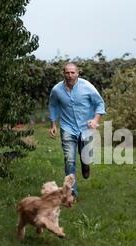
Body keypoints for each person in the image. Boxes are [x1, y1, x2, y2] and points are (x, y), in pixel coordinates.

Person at [48, 62, 106, 200]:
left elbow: (100, 103)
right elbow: (53, 106)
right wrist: (53, 125)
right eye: (67, 73)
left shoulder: (87, 87)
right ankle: (71, 193)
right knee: (69, 160)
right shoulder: (56, 90)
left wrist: (96, 120)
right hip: (67, 128)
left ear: (78, 73)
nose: (70, 75)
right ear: (64, 73)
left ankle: (86, 164)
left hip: (86, 127)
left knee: (86, 156)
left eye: (72, 72)